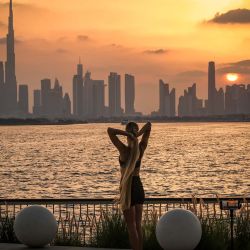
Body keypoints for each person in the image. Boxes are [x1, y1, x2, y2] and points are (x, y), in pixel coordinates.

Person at [107, 122, 152, 250]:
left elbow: (110, 131)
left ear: (127, 135)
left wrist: (128, 134)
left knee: (131, 227)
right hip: (138, 187)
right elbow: (148, 126)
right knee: (138, 225)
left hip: (128, 189)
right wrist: (137, 135)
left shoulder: (124, 150)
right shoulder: (141, 150)